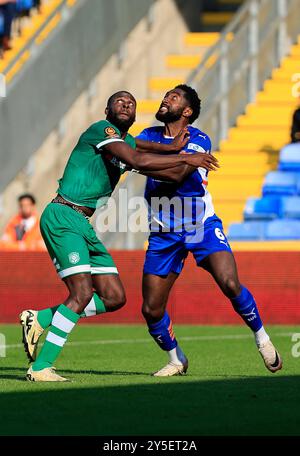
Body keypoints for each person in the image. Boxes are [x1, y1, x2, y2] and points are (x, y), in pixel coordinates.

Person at [20, 90, 218, 382]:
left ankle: (41, 319)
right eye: (119, 101)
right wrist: (189, 158)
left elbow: (144, 146)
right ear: (106, 110)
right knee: (82, 293)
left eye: (131, 103)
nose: (126, 104)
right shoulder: (102, 131)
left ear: (136, 115)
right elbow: (140, 157)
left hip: (82, 223)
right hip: (63, 216)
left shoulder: (124, 141)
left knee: (114, 297)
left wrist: (174, 147)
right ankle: (41, 367)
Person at [136, 84, 282, 376]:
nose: (165, 99)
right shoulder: (148, 135)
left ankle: (262, 338)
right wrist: (143, 161)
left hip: (200, 224)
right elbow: (135, 157)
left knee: (229, 283)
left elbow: (175, 174)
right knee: (151, 310)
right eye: (166, 95)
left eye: (173, 97)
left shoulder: (199, 138)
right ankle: (176, 359)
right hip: (163, 232)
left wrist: (140, 165)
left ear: (187, 111)